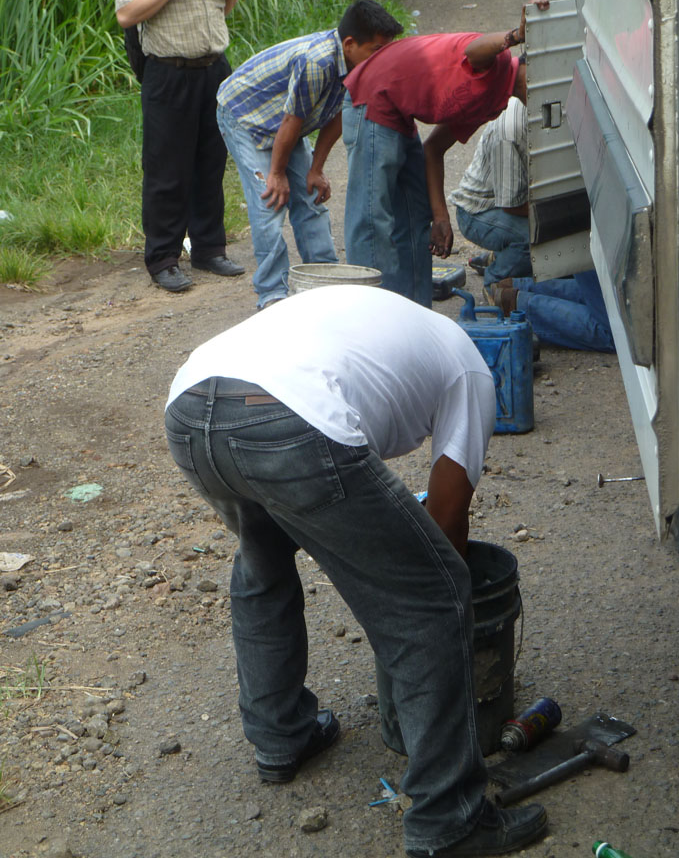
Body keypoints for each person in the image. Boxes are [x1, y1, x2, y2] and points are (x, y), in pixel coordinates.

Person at [164, 285, 548, 857]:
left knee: (263, 559)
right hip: (289, 417)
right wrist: (410, 592)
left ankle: (281, 736)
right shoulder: (471, 372)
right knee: (433, 595)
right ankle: (451, 820)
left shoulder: (384, 326)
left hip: (190, 408)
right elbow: (448, 517)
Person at [342, 0, 548, 309]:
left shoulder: (494, 104)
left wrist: (440, 216)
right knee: (372, 220)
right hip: (372, 97)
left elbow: (434, 149)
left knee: (415, 219)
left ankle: (414, 314)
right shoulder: (498, 61)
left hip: (400, 114)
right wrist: (515, 36)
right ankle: (370, 314)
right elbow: (473, 50)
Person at [216, 1, 403, 309]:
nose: (383, 58)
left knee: (310, 198)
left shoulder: (362, 66)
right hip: (246, 115)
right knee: (270, 202)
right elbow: (291, 121)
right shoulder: (317, 63)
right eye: (376, 49)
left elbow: (337, 117)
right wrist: (277, 173)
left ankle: (325, 279)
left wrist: (316, 169)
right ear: (349, 44)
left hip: (287, 122)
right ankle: (272, 295)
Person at [115, 0, 245, 293]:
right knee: (167, 170)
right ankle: (163, 259)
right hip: (168, 75)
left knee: (210, 164)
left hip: (214, 71)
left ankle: (209, 250)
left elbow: (221, 12)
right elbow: (126, 14)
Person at [449, 98, 615, 352]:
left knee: (600, 303)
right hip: (480, 211)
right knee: (534, 238)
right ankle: (500, 285)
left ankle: (515, 288)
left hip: (544, 206)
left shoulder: (546, 106)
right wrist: (560, 219)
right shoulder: (510, 130)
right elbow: (511, 204)